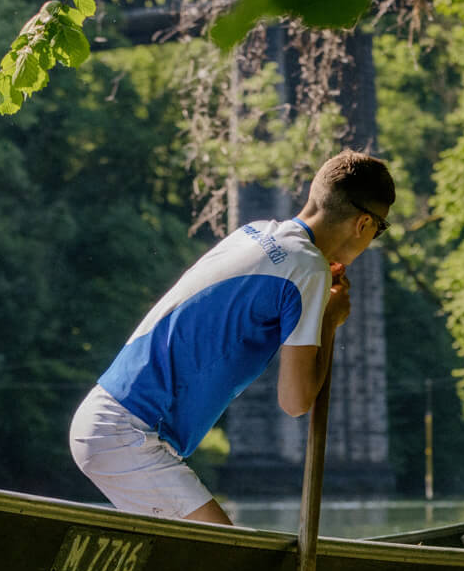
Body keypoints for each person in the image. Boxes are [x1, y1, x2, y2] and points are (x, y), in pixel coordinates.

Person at [68, 149, 396, 525]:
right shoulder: (308, 269)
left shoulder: (253, 232)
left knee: (210, 567)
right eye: (380, 229)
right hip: (126, 433)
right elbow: (295, 401)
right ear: (364, 224)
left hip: (106, 419)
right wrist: (329, 319)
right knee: (235, 563)